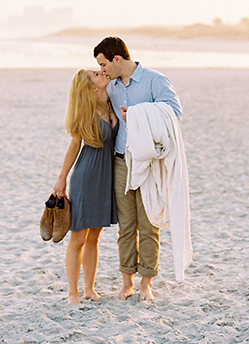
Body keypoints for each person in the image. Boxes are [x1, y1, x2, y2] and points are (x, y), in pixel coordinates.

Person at [93, 37, 182, 302]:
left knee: (149, 223)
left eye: (103, 64)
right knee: (126, 226)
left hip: (148, 162)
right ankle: (126, 282)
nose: (102, 70)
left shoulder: (155, 80)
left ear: (117, 59)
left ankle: (147, 283)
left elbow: (174, 112)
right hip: (121, 160)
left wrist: (139, 114)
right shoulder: (112, 88)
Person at [53, 68, 118, 305]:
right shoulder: (86, 111)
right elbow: (74, 146)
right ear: (91, 87)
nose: (101, 72)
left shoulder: (112, 101)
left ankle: (89, 289)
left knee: (94, 238)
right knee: (78, 239)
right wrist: (61, 177)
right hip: (86, 176)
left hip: (106, 177)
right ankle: (73, 293)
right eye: (96, 74)